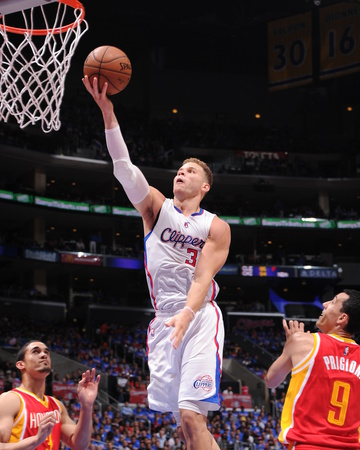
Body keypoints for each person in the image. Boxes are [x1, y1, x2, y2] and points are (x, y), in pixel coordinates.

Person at [83, 75, 231, 450]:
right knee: (181, 425)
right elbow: (123, 167)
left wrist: (187, 312)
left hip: (198, 317)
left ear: (205, 187)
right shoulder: (155, 208)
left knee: (191, 415)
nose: (182, 172)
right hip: (163, 320)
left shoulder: (215, 227)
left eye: (191, 171)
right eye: (180, 169)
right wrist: (107, 112)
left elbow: (202, 276)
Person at [265, 289, 360, 449]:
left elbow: (270, 381)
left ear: (342, 318)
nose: (325, 304)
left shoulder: (303, 341)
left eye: (333, 301)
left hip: (307, 444)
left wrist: (290, 346)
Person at [0, 340, 100, 449]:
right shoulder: (10, 400)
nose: (43, 355)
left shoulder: (57, 406)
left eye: (46, 352)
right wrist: (36, 440)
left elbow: (79, 445)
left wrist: (87, 406)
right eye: (36, 352)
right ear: (20, 364)